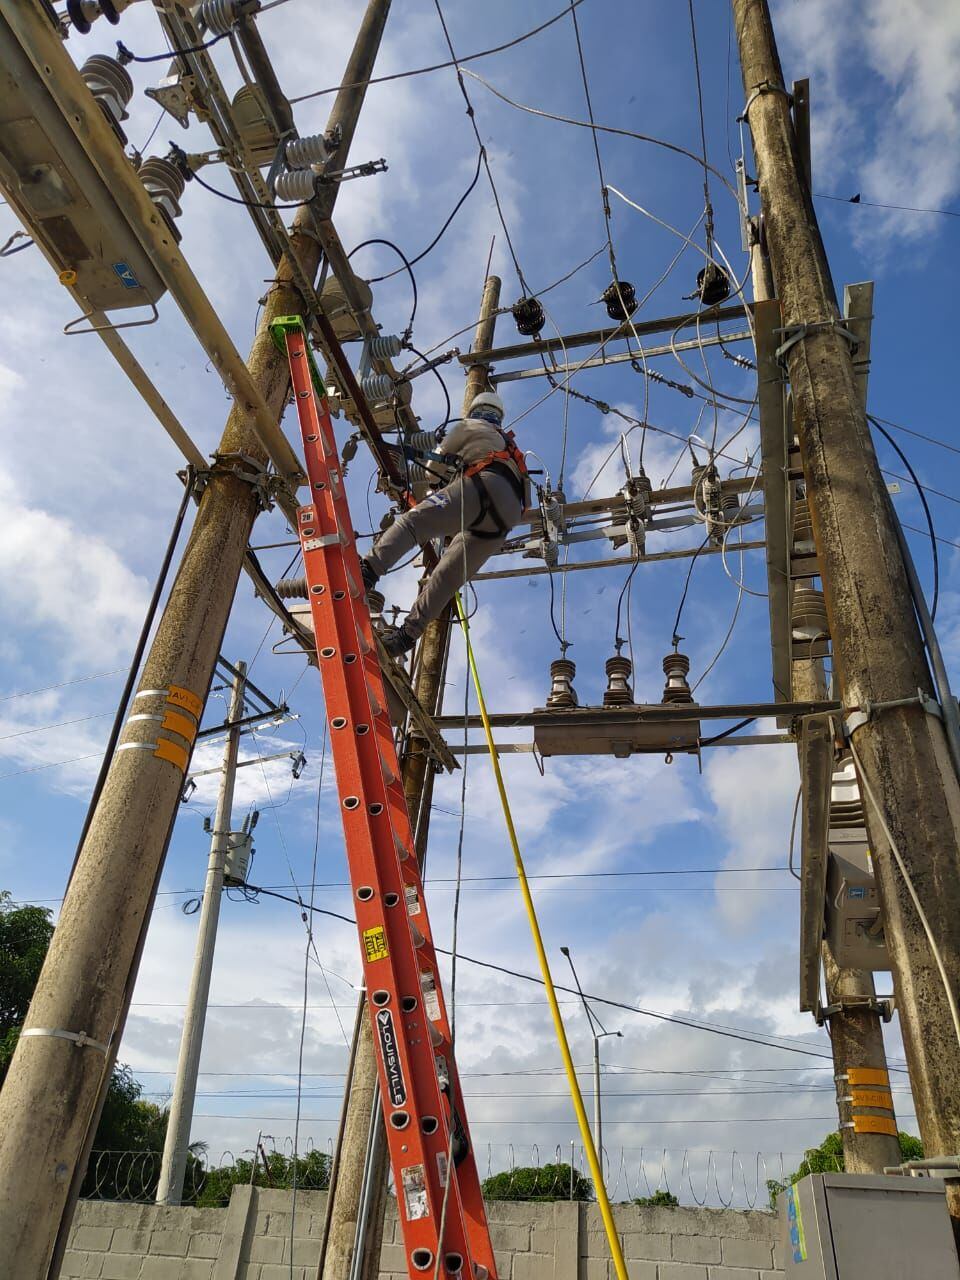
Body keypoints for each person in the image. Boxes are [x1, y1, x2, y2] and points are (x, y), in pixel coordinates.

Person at [360, 391, 527, 657]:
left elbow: (432, 470)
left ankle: (366, 572)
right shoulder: (510, 448)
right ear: (499, 417)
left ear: (475, 410)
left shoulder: (470, 426)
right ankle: (405, 637)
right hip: (505, 520)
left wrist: (439, 488)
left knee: (414, 524)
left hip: (483, 486)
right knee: (448, 577)